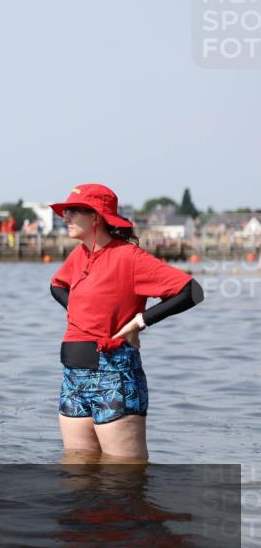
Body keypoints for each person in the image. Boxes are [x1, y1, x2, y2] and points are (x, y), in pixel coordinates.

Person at [49, 183, 203, 461]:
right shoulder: (79, 254)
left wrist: (139, 322)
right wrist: (77, 310)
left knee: (123, 480)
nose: (65, 217)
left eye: (73, 210)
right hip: (73, 377)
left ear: (96, 217)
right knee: (77, 477)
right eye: (65, 211)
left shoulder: (129, 257)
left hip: (114, 376)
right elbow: (56, 285)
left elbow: (191, 291)